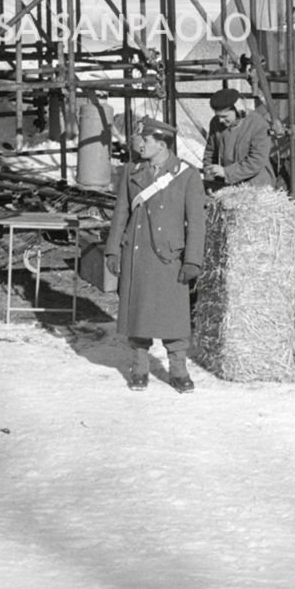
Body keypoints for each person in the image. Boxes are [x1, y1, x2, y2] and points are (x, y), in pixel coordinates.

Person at [102, 115, 206, 392]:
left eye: (145, 140)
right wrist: (113, 250)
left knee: (174, 317)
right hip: (137, 254)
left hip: (170, 257)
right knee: (138, 315)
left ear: (162, 144)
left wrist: (193, 259)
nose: (140, 145)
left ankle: (178, 369)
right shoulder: (131, 171)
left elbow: (197, 222)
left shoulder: (186, 174)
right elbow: (120, 213)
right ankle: (139, 367)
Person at [202, 86, 275, 191]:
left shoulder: (258, 124)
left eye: (224, 116)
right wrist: (209, 176)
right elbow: (210, 152)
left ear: (238, 111)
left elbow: (257, 160)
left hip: (257, 187)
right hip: (228, 185)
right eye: (218, 116)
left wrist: (226, 172)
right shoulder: (215, 123)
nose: (220, 120)